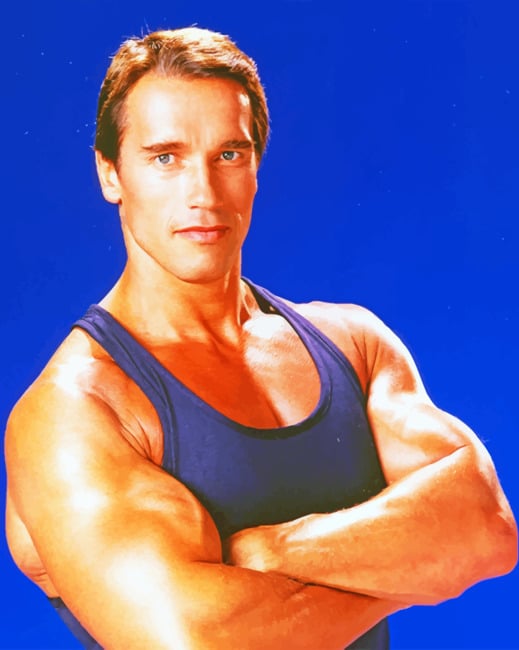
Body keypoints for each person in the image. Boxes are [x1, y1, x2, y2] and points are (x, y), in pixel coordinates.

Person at [4, 26, 517, 650]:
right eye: (165, 158)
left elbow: (487, 527)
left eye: (229, 155)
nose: (202, 193)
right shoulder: (74, 411)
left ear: (255, 167)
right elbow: (198, 643)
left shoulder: (351, 345)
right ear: (110, 173)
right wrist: (422, 571)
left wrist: (273, 549)